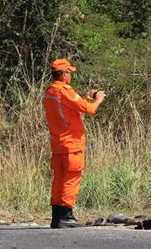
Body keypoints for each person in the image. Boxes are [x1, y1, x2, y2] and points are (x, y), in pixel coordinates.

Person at [43, 58, 105, 228]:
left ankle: (57, 217)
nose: (70, 76)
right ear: (63, 75)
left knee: (59, 180)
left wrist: (84, 98)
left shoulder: (49, 91)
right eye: (69, 72)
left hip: (58, 143)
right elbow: (90, 110)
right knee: (71, 179)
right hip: (72, 144)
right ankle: (66, 216)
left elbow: (70, 108)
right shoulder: (65, 90)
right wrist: (97, 99)